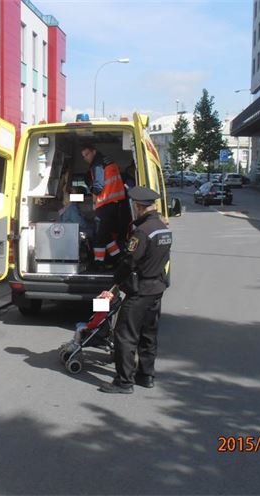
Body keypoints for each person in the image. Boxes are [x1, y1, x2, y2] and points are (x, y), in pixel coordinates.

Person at [97, 186, 172, 394]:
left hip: (140, 290)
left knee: (125, 335)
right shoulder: (164, 228)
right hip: (157, 288)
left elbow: (130, 261)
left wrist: (114, 284)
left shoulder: (142, 231)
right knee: (149, 334)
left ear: (138, 207)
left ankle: (124, 382)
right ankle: (146, 376)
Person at [80, 143, 126, 268]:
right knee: (106, 235)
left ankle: (98, 262)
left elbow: (98, 187)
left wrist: (94, 201)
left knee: (99, 235)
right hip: (115, 204)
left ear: (94, 151)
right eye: (83, 156)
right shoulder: (107, 161)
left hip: (105, 204)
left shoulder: (97, 164)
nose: (85, 158)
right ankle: (118, 257)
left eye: (87, 154)